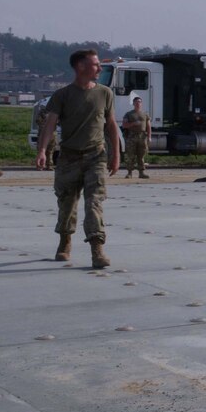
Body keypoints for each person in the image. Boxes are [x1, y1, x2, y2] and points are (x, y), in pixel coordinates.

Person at [34, 50, 120, 269]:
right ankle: (65, 241)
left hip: (96, 156)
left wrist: (115, 154)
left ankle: (97, 248)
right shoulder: (62, 95)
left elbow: (111, 125)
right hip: (69, 158)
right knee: (67, 203)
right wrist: (42, 151)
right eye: (95, 65)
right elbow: (50, 124)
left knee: (94, 202)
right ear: (80, 67)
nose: (99, 69)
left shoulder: (105, 93)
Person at [121, 96, 150, 179]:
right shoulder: (129, 114)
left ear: (141, 103)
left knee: (141, 155)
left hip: (142, 137)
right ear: (133, 103)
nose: (138, 103)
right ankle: (129, 173)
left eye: (140, 102)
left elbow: (148, 126)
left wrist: (149, 136)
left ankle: (141, 173)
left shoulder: (145, 114)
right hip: (131, 137)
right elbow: (124, 125)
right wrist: (133, 124)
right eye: (136, 102)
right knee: (130, 155)